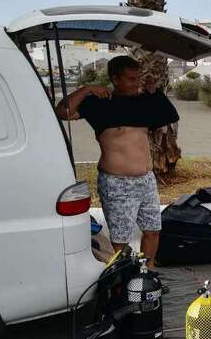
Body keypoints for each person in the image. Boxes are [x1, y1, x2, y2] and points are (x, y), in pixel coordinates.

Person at [55, 55, 179, 269]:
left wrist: (154, 92)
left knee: (153, 230)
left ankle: (147, 273)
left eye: (138, 78)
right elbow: (62, 112)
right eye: (131, 79)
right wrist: (86, 89)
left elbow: (170, 115)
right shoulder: (99, 104)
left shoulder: (143, 102)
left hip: (146, 180)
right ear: (115, 79)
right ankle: (124, 276)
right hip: (116, 183)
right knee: (121, 239)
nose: (136, 83)